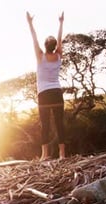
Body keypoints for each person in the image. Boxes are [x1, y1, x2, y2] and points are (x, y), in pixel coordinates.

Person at [26, 11, 66, 161]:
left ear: (45, 45)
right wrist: (61, 23)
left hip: (44, 94)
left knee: (45, 125)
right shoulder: (59, 55)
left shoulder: (40, 56)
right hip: (56, 92)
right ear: (55, 46)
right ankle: (62, 154)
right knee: (59, 123)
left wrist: (30, 23)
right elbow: (60, 39)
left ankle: (45, 155)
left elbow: (33, 37)